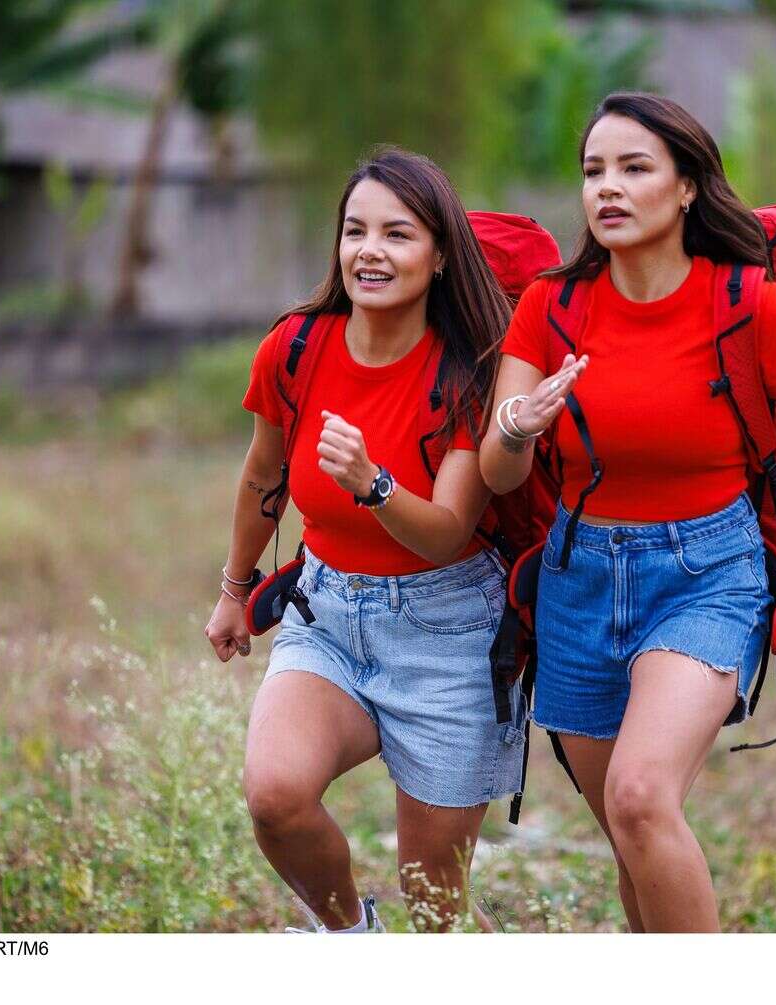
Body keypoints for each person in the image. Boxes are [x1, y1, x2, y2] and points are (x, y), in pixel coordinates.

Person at [479, 92, 776, 933]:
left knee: (642, 798)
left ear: (687, 188)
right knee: (631, 832)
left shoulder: (746, 305)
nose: (607, 187)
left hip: (706, 573)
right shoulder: (551, 307)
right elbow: (504, 474)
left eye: (634, 168)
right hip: (579, 580)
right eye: (593, 171)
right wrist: (515, 425)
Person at [204, 149, 523, 933]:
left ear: (442, 254)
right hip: (330, 614)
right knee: (275, 796)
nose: (369, 251)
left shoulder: (470, 371)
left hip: (448, 631)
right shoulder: (297, 349)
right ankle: (351, 937)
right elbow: (262, 476)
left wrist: (373, 481)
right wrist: (235, 590)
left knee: (437, 903)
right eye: (355, 231)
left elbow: (447, 531)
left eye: (397, 234)